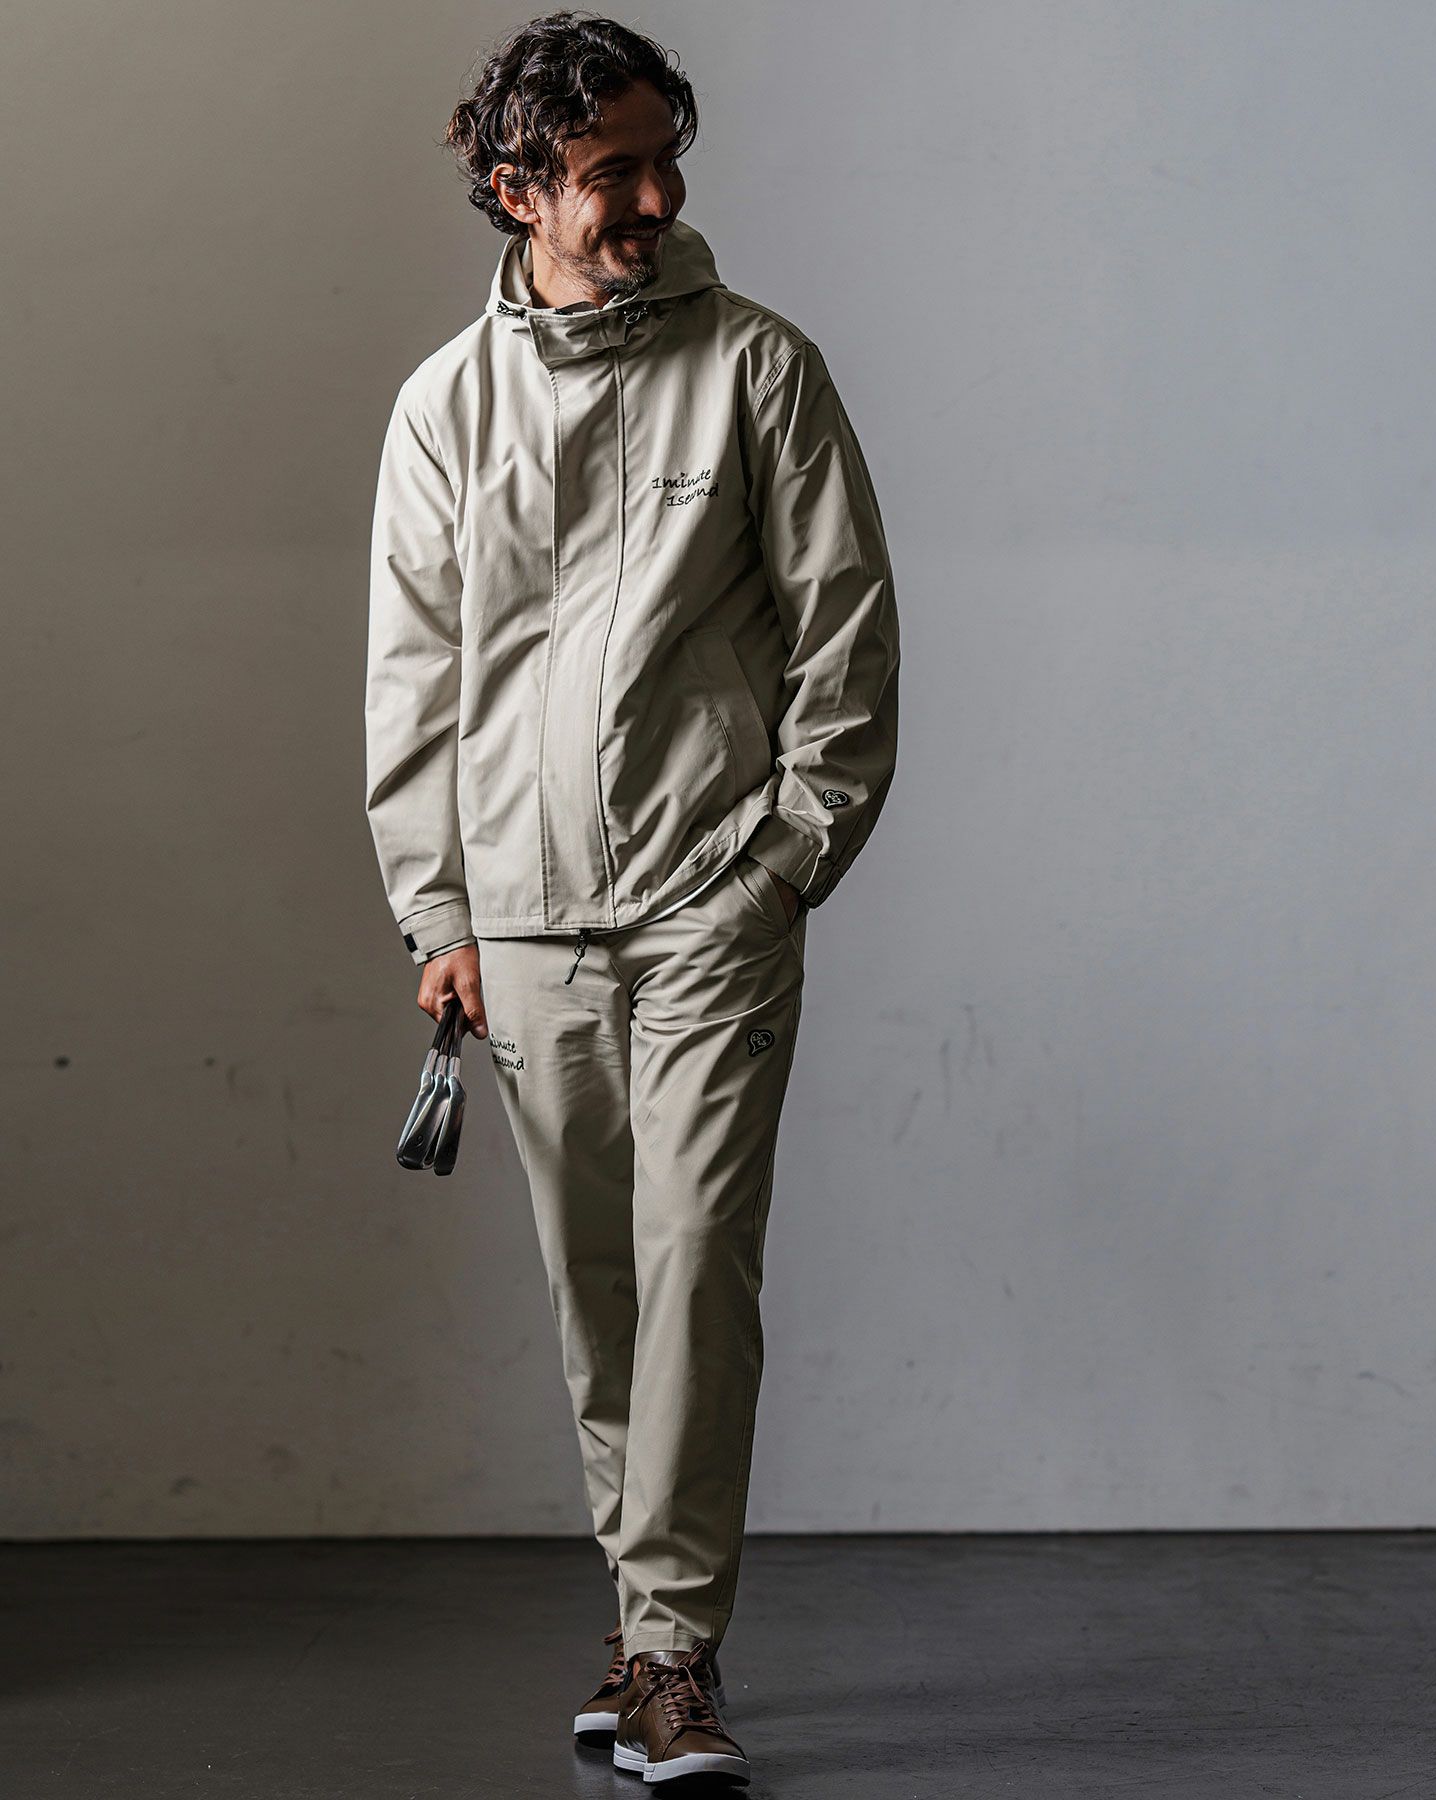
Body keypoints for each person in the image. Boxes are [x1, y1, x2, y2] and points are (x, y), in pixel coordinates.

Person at [364, 10, 899, 1785]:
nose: (656, 199)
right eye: (614, 172)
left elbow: (846, 639)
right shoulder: (444, 409)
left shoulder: (762, 371)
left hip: (708, 904)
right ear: (516, 183)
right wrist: (440, 917)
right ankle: (641, 1625)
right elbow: (412, 682)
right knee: (597, 1289)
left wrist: (785, 865)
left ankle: (671, 1647)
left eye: (669, 161)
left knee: (696, 1262)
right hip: (522, 925)